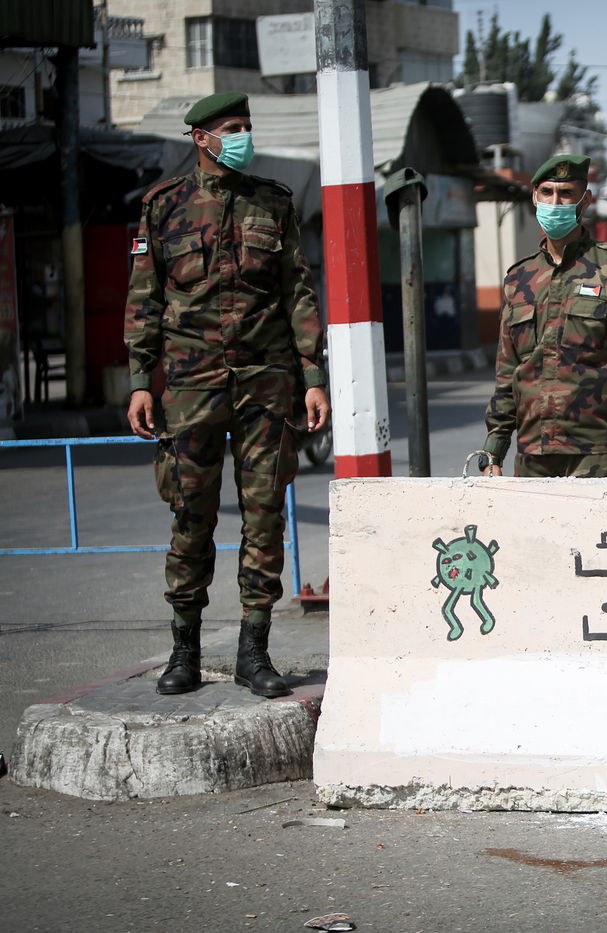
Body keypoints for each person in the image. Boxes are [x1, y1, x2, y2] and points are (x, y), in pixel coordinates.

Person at [124, 92, 329, 698]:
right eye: (231, 128)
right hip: (191, 385)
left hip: (267, 382)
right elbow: (145, 299)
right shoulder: (164, 206)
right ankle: (183, 650)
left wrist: (312, 376)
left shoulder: (274, 202)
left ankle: (254, 651)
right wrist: (140, 381)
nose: (242, 136)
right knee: (192, 514)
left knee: (264, 515)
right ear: (200, 138)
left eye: (246, 126)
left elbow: (297, 291)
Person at [478, 154, 607, 479]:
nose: (555, 203)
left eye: (566, 194)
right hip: (532, 455)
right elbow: (508, 373)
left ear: (585, 200)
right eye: (547, 192)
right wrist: (494, 449)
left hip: (598, 455)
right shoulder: (519, 278)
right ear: (534, 197)